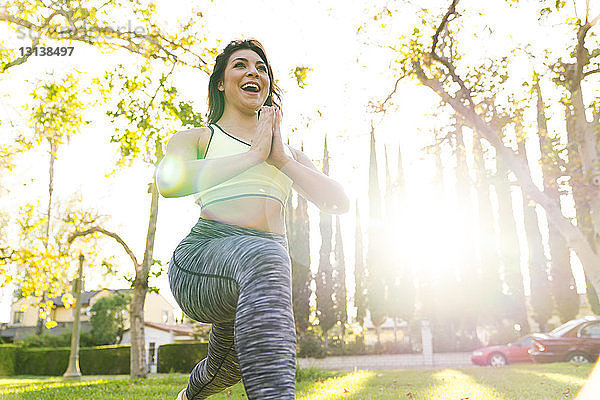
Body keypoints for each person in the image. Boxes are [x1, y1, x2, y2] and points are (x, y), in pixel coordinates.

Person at [155, 38, 349, 400]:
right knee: (266, 256)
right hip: (202, 257)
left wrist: (280, 160)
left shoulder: (287, 152)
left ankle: (187, 397)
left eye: (261, 68)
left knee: (225, 368)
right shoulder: (197, 137)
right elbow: (169, 182)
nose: (253, 72)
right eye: (240, 65)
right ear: (221, 83)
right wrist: (253, 155)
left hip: (260, 273)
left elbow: (339, 202)